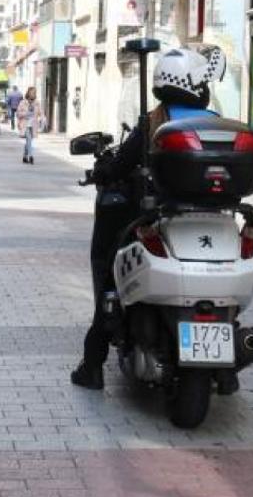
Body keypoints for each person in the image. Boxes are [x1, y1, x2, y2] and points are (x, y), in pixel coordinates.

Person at [71, 45, 226, 390]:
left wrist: (103, 169)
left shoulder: (155, 124)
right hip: (211, 224)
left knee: (114, 274)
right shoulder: (216, 123)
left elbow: (119, 165)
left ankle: (93, 363)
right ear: (198, 86)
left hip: (158, 218)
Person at [17, 87, 40, 164]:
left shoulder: (36, 103)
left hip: (33, 125)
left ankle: (24, 156)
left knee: (28, 141)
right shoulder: (23, 102)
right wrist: (25, 114)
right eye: (32, 92)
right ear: (28, 93)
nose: (33, 94)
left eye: (34, 92)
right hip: (25, 124)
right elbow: (18, 113)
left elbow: (40, 112)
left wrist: (43, 118)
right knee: (29, 139)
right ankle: (30, 156)